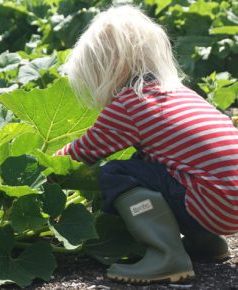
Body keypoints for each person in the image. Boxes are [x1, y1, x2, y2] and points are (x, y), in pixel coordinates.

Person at [53, 5, 238, 284]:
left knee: (117, 173)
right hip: (225, 202)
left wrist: (42, 169)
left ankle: (168, 257)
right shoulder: (181, 93)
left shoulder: (131, 103)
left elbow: (81, 153)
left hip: (212, 202)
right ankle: (206, 243)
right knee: (154, 164)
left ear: (107, 69)